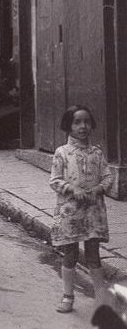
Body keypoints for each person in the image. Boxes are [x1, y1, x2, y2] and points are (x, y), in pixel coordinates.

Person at [50, 105, 112, 314]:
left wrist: (99, 188)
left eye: (86, 121)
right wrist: (72, 189)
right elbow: (55, 180)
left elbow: (108, 176)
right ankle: (68, 296)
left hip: (93, 211)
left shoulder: (97, 152)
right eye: (77, 122)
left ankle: (101, 298)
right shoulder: (62, 153)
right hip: (70, 212)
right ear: (68, 126)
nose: (82, 126)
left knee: (94, 254)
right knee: (71, 254)